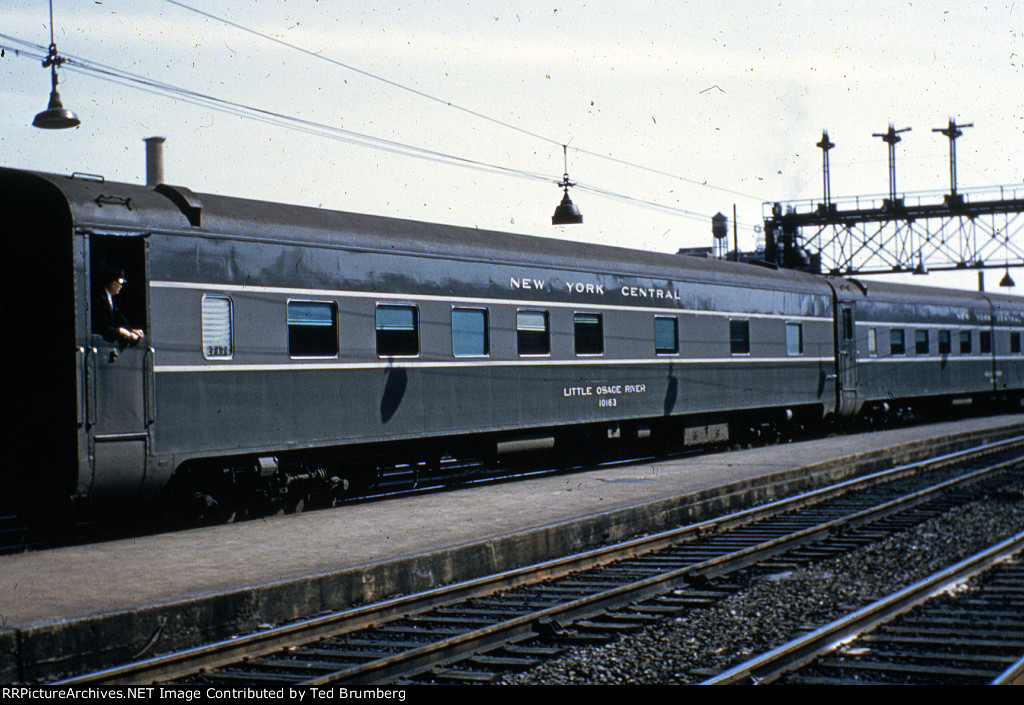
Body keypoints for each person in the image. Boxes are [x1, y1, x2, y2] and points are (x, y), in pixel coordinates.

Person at [97, 268, 145, 345]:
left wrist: (131, 330)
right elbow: (102, 326)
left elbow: (118, 314)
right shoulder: (101, 300)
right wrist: (119, 331)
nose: (121, 286)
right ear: (112, 283)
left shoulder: (112, 298)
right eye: (120, 282)